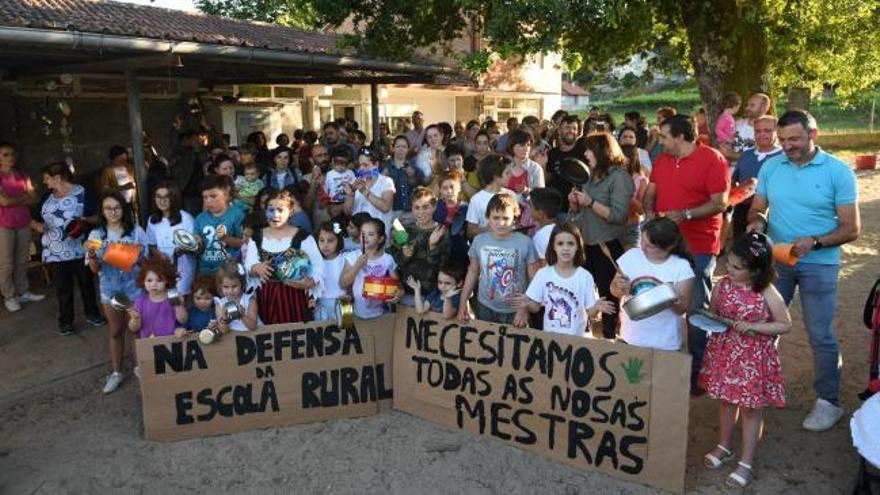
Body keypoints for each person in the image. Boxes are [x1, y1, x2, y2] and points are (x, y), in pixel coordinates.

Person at [746, 109, 860, 431]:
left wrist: (816, 242)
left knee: (820, 334)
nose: (787, 145)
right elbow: (758, 208)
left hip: (819, 264)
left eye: (794, 138)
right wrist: (757, 224)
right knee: (765, 324)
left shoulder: (838, 171)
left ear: (814, 134)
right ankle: (761, 386)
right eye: (782, 140)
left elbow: (851, 229)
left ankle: (828, 402)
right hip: (777, 260)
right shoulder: (771, 166)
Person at [644, 114, 729, 392]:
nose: (661, 140)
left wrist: (686, 214)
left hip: (699, 245)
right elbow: (651, 191)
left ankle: (698, 372)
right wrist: (648, 212)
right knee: (658, 298)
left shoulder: (713, 159)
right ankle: (661, 362)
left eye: (665, 136)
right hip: (664, 242)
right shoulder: (663, 158)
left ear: (680, 137)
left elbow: (720, 202)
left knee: (694, 308)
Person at [699, 232, 792, 488]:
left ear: (756, 270)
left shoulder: (767, 291)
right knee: (726, 402)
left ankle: (746, 461)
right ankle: (724, 446)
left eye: (737, 267)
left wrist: (755, 327)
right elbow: (714, 313)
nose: (728, 269)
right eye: (728, 263)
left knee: (751, 410)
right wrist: (707, 317)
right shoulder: (723, 284)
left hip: (753, 358)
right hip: (726, 352)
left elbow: (785, 325)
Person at [568, 133, 634, 339]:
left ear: (602, 152)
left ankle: (608, 339)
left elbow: (618, 215)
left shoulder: (620, 177)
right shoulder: (588, 176)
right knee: (581, 291)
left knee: (609, 295)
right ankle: (582, 333)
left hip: (608, 245)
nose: (585, 154)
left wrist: (590, 202)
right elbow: (579, 215)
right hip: (585, 243)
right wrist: (575, 204)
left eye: (589, 150)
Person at [86, 193, 148, 394]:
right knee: (116, 330)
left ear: (124, 209)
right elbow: (94, 270)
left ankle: (141, 368)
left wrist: (129, 256)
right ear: (102, 212)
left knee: (136, 329)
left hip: (134, 286)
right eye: (108, 208)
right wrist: (94, 257)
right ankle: (116, 372)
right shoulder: (95, 236)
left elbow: (146, 262)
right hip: (109, 289)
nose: (113, 212)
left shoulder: (136, 231)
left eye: (117, 207)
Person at [36, 162, 105, 334]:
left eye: (47, 178)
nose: (45, 182)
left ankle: (92, 313)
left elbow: (98, 218)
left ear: (58, 177)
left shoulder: (83, 192)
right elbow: (32, 217)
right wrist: (37, 225)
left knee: (87, 283)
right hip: (56, 251)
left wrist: (85, 220)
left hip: (82, 247)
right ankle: (65, 321)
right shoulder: (46, 196)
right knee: (63, 288)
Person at [512, 222, 614, 334]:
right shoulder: (543, 274)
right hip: (551, 340)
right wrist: (526, 304)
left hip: (577, 341)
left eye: (570, 243)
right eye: (560, 244)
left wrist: (597, 307)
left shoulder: (585, 276)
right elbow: (536, 306)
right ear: (553, 246)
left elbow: (590, 312)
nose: (565, 248)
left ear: (578, 247)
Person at [611, 218, 696, 350]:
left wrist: (668, 297)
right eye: (642, 241)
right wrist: (619, 287)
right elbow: (613, 290)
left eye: (649, 246)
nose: (642, 248)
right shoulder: (631, 256)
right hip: (631, 336)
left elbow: (681, 309)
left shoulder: (682, 267)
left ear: (669, 246)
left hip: (665, 342)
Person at [245, 188, 322, 325]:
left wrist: (309, 282)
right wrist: (257, 268)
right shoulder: (257, 238)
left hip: (296, 295)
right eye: (271, 209)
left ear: (291, 212)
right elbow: (249, 265)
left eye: (281, 210)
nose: (275, 214)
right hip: (267, 297)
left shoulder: (302, 237)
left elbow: (318, 266)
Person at [458, 193, 538, 324]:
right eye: (496, 217)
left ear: (515, 219)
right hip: (485, 306)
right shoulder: (479, 241)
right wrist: (462, 303)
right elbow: (472, 272)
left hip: (515, 309)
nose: (501, 223)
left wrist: (525, 306)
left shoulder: (525, 243)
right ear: (488, 218)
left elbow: (534, 279)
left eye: (506, 218)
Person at [0, 142, 43, 312]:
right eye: (5, 154)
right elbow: (3, 201)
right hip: (4, 224)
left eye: (12, 154)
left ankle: (22, 291)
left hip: (23, 222)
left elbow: (35, 198)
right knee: (6, 263)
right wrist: (24, 197)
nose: (10, 157)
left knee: (22, 260)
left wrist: (14, 200)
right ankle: (9, 296)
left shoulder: (22, 175)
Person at [391, 187, 449, 306]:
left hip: (430, 294)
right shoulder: (405, 229)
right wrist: (404, 255)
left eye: (425, 207)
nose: (421, 212)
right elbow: (397, 262)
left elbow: (443, 267)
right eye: (416, 207)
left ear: (434, 207)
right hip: (407, 291)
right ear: (411, 209)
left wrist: (432, 247)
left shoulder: (442, 231)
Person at [730, 116, 781, 239]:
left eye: (767, 131)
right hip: (743, 210)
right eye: (758, 131)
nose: (762, 134)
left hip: (772, 211)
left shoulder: (783, 157)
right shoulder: (746, 155)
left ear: (777, 131)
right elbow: (733, 180)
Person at [340, 216, 401, 319]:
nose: (365, 237)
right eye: (363, 234)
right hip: (355, 314)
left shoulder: (388, 259)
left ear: (380, 238)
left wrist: (398, 294)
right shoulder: (353, 256)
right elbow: (343, 283)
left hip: (381, 314)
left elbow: (397, 286)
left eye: (371, 234)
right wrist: (357, 266)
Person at [146, 182, 196, 297]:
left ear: (174, 198)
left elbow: (195, 247)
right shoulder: (152, 220)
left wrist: (183, 249)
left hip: (183, 270)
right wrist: (159, 254)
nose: (162, 200)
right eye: (158, 196)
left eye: (166, 197)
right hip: (163, 269)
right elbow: (151, 245)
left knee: (179, 302)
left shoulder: (186, 218)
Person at [194, 175, 246, 276]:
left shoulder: (237, 215)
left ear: (226, 195)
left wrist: (226, 238)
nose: (208, 201)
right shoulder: (200, 218)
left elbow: (244, 243)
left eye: (213, 196)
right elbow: (198, 248)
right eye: (205, 197)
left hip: (229, 273)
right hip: (205, 270)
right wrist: (194, 243)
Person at [128, 255, 187, 341]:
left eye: (159, 280)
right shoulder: (140, 302)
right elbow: (133, 329)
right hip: (149, 344)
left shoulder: (173, 296)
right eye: (149, 280)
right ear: (143, 281)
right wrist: (135, 319)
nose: (154, 284)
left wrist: (179, 305)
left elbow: (183, 320)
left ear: (167, 281)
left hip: (172, 341)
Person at [343, 147, 395, 241]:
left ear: (376, 165)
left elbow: (385, 207)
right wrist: (350, 195)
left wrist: (364, 191)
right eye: (359, 165)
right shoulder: (355, 181)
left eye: (365, 165)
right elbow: (347, 212)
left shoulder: (386, 181)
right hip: (359, 240)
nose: (361, 169)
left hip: (379, 240)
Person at [465, 154, 514, 239]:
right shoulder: (477, 200)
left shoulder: (512, 195)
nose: (512, 175)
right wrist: (487, 229)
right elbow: (470, 232)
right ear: (495, 176)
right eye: (507, 173)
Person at [546, 115, 586, 216]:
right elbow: (547, 180)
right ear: (559, 131)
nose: (571, 131)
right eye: (567, 127)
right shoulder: (552, 154)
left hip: (576, 210)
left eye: (574, 128)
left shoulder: (585, 152)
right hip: (554, 208)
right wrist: (542, 164)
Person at [312, 221, 348, 323]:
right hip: (321, 304)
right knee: (321, 334)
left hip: (343, 302)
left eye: (330, 241)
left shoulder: (345, 259)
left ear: (339, 241)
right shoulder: (315, 261)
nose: (325, 245)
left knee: (345, 332)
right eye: (322, 240)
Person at [382, 135, 424, 220]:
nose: (401, 149)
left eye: (404, 147)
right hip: (393, 212)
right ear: (393, 148)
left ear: (408, 149)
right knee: (399, 233)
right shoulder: (386, 168)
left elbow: (421, 187)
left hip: (411, 211)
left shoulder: (414, 166)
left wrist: (412, 176)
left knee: (411, 232)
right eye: (398, 146)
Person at [722, 92, 772, 162]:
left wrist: (730, 154)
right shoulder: (737, 123)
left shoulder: (769, 131)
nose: (747, 108)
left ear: (763, 108)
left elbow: (758, 157)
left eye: (752, 105)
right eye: (747, 105)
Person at [433, 170, 469, 265]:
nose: (449, 191)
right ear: (440, 190)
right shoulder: (435, 208)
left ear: (459, 188)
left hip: (461, 254)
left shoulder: (466, 208)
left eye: (452, 187)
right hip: (439, 254)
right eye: (445, 188)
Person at [214, 260, 259, 333]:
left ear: (242, 284)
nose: (230, 290)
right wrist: (224, 316)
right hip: (231, 341)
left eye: (234, 286)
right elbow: (223, 331)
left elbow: (253, 326)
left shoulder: (250, 300)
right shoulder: (220, 304)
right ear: (220, 286)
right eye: (226, 287)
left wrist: (242, 315)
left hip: (250, 337)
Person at [619, 144, 649, 249]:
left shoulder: (641, 180)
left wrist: (627, 197)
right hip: (611, 228)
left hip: (631, 227)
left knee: (630, 263)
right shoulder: (611, 177)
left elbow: (641, 210)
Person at [505, 129, 545, 200]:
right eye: (522, 145)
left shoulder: (536, 168)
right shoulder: (504, 165)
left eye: (528, 145)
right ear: (512, 146)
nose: (526, 148)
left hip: (529, 209)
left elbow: (541, 196)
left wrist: (527, 191)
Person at [98, 145, 137, 214]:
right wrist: (122, 187)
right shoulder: (108, 171)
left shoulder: (130, 168)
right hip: (118, 205)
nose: (123, 162)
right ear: (114, 158)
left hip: (133, 203)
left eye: (125, 160)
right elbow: (103, 190)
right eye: (121, 160)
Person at [528, 187, 562, 264]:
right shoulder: (561, 229)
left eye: (531, 207)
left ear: (540, 214)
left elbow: (541, 266)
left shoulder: (540, 237)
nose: (529, 209)